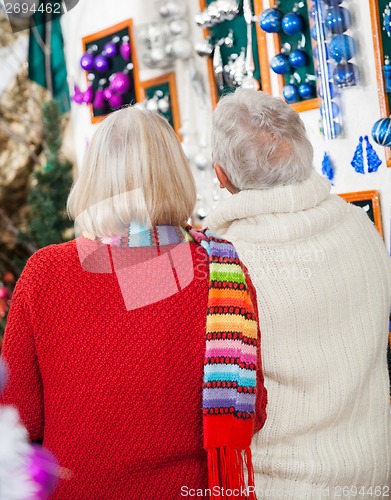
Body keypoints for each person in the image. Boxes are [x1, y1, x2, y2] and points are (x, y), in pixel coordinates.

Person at [0, 106, 267, 500]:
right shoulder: (220, 270)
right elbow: (252, 412)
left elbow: (16, 420)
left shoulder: (45, 273)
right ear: (174, 175)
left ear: (92, 177)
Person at [205, 88, 391, 500]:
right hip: (376, 471)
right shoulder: (360, 226)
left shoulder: (222, 262)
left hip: (285, 485)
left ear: (221, 175)